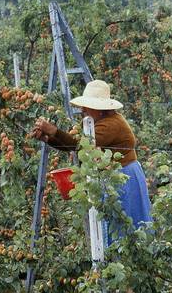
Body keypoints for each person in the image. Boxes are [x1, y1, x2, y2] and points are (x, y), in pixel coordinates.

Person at [31, 80, 153, 245]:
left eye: (87, 107)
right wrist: (48, 139)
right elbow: (75, 146)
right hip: (113, 177)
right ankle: (117, 256)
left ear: (100, 109)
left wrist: (53, 130)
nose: (83, 110)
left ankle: (131, 257)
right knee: (115, 222)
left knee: (128, 221)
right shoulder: (96, 122)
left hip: (125, 177)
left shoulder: (112, 124)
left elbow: (81, 144)